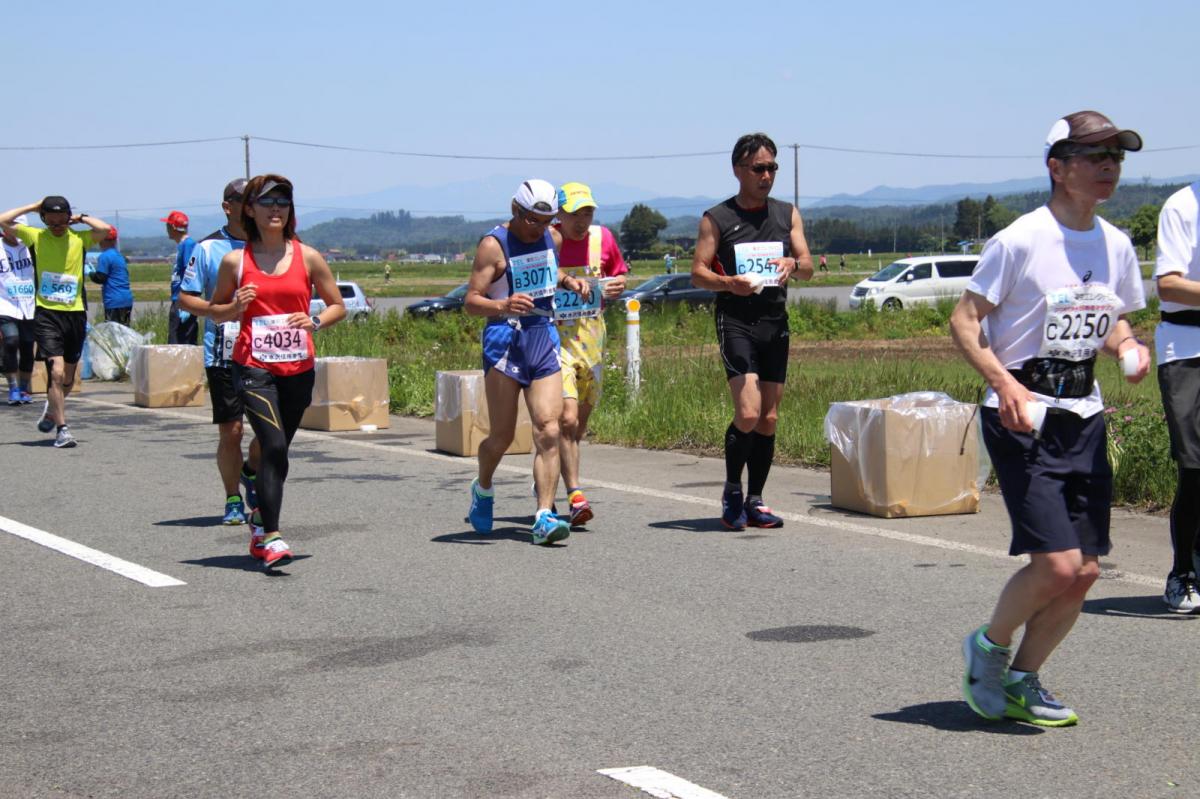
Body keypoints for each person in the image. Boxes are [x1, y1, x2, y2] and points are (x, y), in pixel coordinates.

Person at [950, 110, 1149, 727]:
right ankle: (987, 648)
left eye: (1116, 156)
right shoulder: (1020, 240)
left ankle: (1023, 680)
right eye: (1095, 156)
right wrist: (1004, 384)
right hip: (1022, 417)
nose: (1109, 167)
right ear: (1058, 167)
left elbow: (1112, 316)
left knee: (1084, 572)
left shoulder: (1115, 245)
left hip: (1083, 416)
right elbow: (964, 320)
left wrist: (1126, 345)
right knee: (1056, 565)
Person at [209, 174, 345, 568]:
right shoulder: (236, 261)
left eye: (283, 203)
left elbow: (337, 306)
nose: (276, 209)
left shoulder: (308, 256)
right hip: (253, 365)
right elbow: (216, 311)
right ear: (250, 210)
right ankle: (271, 535)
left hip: (298, 367)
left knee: (278, 448)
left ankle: (257, 513)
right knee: (274, 446)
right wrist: (235, 307)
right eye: (268, 202)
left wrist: (315, 321)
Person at [690, 133, 813, 530]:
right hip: (736, 321)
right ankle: (732, 491)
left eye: (772, 168)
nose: (767, 176)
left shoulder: (787, 214)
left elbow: (808, 266)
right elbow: (698, 273)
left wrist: (793, 264)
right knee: (748, 412)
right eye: (759, 168)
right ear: (738, 170)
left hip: (774, 322)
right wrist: (729, 284)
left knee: (769, 418)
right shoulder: (717, 218)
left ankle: (756, 499)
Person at [463, 179, 590, 545]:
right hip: (505, 340)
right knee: (501, 436)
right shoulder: (493, 245)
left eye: (546, 221)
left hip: (542, 337)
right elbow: (471, 301)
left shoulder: (553, 237)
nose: (539, 228)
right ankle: (483, 487)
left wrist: (568, 281)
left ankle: (544, 516)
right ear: (515, 210)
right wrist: (502, 304)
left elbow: (551, 270)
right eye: (533, 220)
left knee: (549, 429)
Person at [531, 181, 627, 526]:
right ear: (560, 214)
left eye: (587, 213)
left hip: (592, 340)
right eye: (574, 214)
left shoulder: (603, 239)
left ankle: (547, 478)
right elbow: (535, 272)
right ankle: (575, 495)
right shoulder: (548, 239)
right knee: (566, 420)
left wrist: (617, 286)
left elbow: (618, 276)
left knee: (576, 428)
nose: (581, 221)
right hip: (554, 340)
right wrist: (563, 279)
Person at [178, 178, 262, 527]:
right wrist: (222, 311)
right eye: (245, 200)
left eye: (257, 199)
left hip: (267, 350)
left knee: (273, 431)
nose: (253, 206)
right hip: (223, 350)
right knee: (233, 430)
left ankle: (250, 469)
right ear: (228, 206)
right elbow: (186, 298)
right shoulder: (207, 248)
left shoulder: (273, 244)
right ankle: (232, 499)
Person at [0, 197, 112, 448]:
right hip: (47, 313)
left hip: (75, 313)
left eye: (61, 221)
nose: (57, 225)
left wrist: (81, 218)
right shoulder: (36, 236)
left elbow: (104, 229)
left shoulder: (80, 239)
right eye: (51, 221)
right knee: (57, 372)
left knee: (68, 378)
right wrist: (33, 206)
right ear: (44, 220)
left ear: (68, 218)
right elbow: (3, 221)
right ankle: (62, 429)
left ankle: (52, 408)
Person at [1153, 179, 1200, 612]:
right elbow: (1168, 285)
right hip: (1187, 348)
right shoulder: (1182, 206)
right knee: (1196, 467)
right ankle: (1182, 571)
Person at [0, 215, 36, 404]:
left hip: (28, 305)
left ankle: (24, 388)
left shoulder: (31, 248)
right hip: (5, 304)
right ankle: (13, 387)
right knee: (11, 341)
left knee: (28, 346)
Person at [164, 210, 197, 345]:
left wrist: (186, 302)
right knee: (175, 339)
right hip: (178, 299)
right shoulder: (182, 245)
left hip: (182, 301)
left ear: (172, 227)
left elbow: (190, 272)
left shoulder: (188, 245)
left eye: (167, 225)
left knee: (179, 342)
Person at [91, 227, 133, 325]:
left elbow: (100, 278)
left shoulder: (104, 256)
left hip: (114, 300)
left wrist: (90, 273)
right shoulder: (119, 255)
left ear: (102, 240)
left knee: (113, 330)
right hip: (126, 298)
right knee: (124, 329)